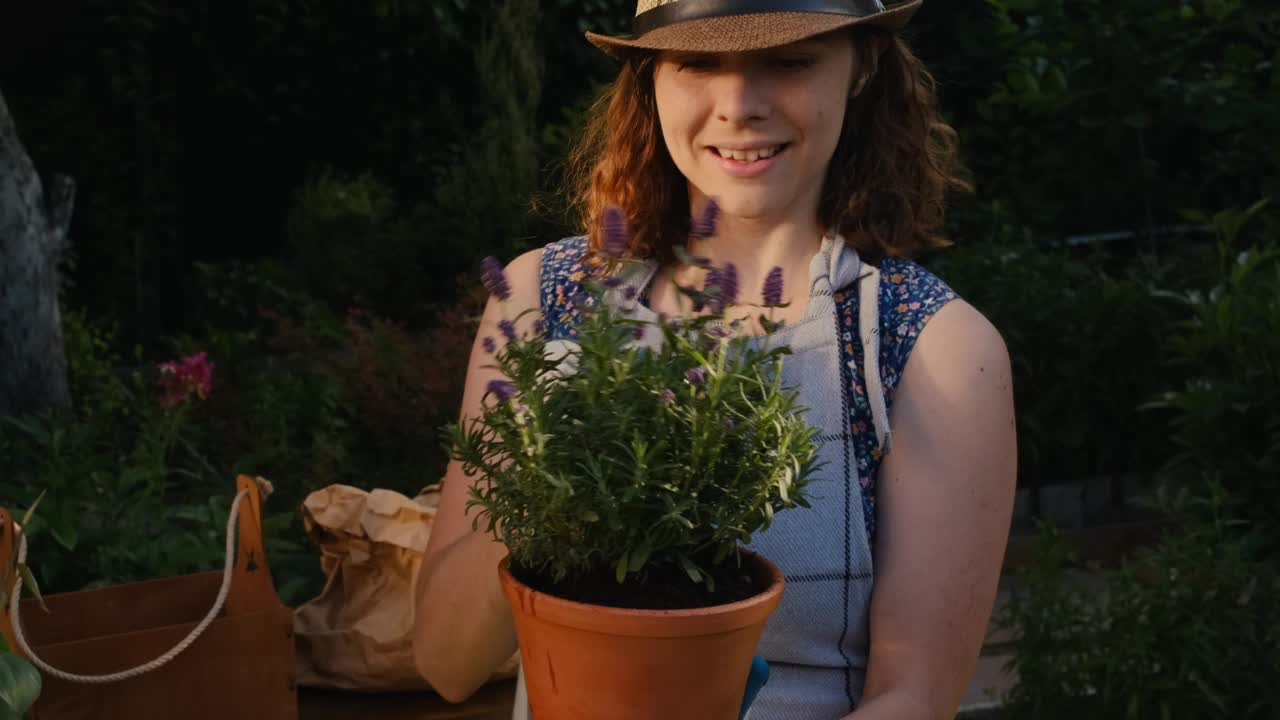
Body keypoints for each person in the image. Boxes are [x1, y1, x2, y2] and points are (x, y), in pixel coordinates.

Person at [413, 0, 1018, 718]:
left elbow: (912, 700)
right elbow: (447, 664)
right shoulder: (540, 303)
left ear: (863, 68)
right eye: (698, 62)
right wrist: (553, 465)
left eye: (790, 61)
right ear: (649, 80)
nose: (739, 106)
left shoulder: (928, 348)